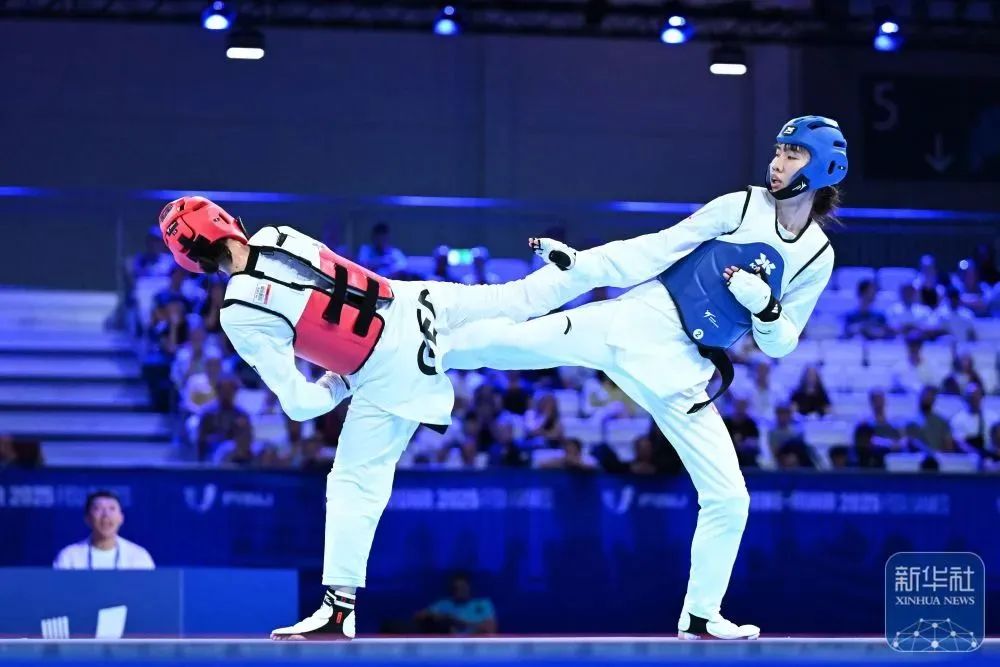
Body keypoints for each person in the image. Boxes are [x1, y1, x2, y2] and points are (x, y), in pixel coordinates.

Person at [443, 116, 848, 640]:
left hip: (683, 370)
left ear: (823, 168)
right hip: (637, 321)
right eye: (778, 151)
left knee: (730, 497)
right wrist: (582, 265)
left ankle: (700, 615)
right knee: (513, 344)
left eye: (793, 154)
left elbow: (781, 342)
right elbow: (655, 249)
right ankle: (426, 347)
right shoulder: (740, 206)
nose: (777, 162)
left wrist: (766, 309)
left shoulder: (817, 257)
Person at [156, 196, 608, 640]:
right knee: (515, 298)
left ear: (191, 257)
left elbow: (300, 405)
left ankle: (338, 611)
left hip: (385, 365)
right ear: (226, 221)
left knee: (354, 484)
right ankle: (594, 270)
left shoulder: (239, 310)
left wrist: (341, 382)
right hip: (413, 302)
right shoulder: (279, 234)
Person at [53, 491, 155, 570]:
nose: (106, 515)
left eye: (112, 509)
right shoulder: (69, 557)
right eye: (98, 509)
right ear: (88, 519)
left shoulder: (139, 557)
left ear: (121, 518)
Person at [414, 572, 497, 636]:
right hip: (449, 645)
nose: (460, 591)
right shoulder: (444, 604)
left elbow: (490, 629)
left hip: (477, 645)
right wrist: (443, 618)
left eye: (463, 587)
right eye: (456, 588)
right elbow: (419, 616)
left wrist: (462, 625)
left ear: (469, 587)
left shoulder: (483, 604)